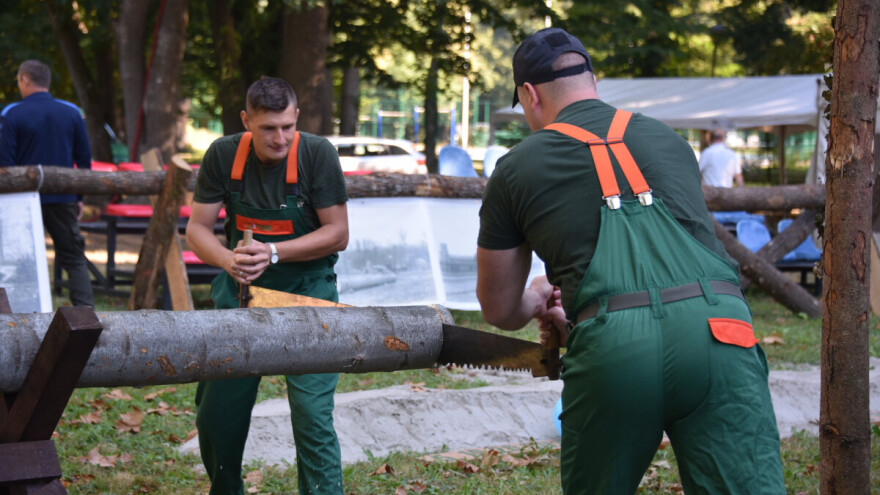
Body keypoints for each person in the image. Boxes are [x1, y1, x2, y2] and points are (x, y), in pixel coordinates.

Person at [476, 28, 784, 494]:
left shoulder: (516, 168)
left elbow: (499, 309)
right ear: (593, 81)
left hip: (617, 350)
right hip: (723, 334)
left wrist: (540, 295)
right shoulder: (669, 140)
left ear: (529, 94)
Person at [186, 77, 348, 495]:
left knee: (312, 414)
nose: (280, 138)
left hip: (309, 292)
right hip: (241, 295)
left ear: (296, 117)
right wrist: (228, 260)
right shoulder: (223, 155)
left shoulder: (317, 154)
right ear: (246, 120)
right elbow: (197, 229)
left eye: (287, 127)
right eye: (267, 129)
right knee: (217, 414)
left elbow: (337, 233)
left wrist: (273, 252)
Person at [0, 59, 94, 308]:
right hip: (63, 198)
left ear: (24, 80)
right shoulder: (72, 112)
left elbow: (5, 165)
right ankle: (86, 314)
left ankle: (22, 313)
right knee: (74, 257)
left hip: (20, 202)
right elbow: (84, 160)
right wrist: (79, 197)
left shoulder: (12, 114)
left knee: (19, 261)